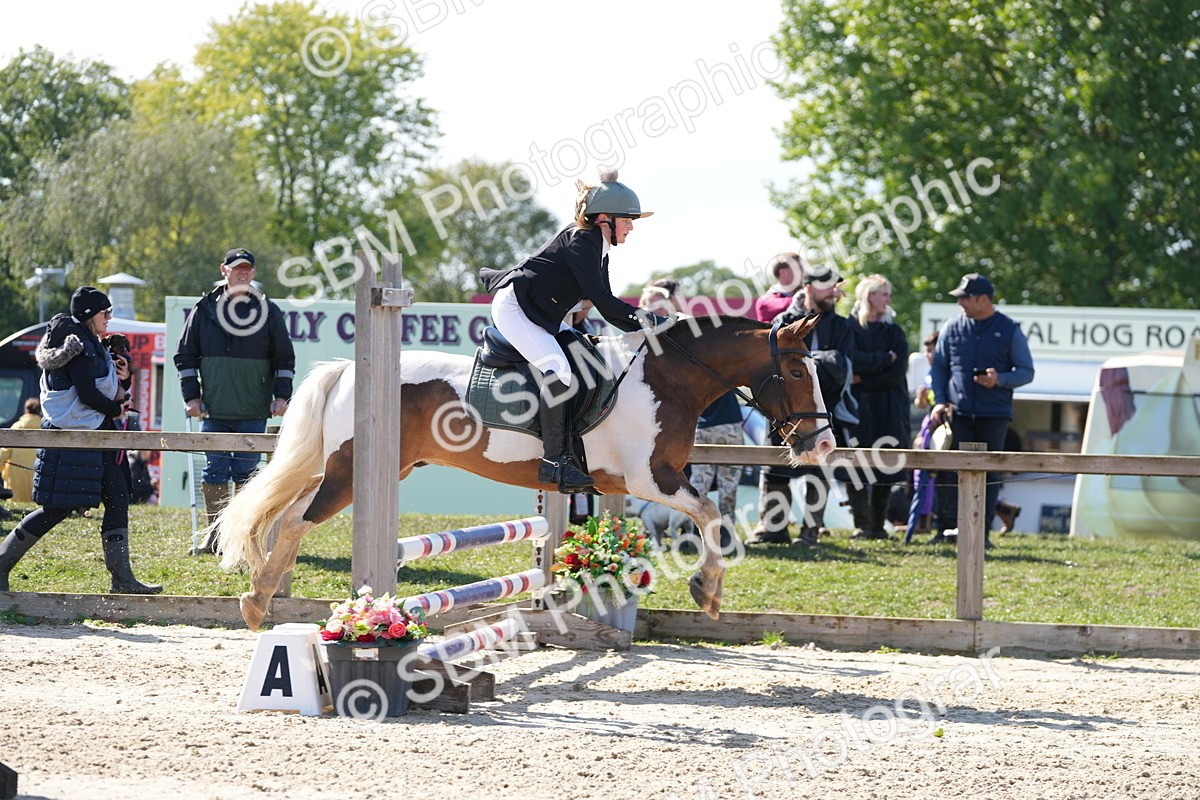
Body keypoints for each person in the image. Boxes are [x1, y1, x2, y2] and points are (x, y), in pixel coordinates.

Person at [479, 170, 662, 494]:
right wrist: (650, 322)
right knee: (559, 369)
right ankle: (555, 461)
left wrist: (645, 326)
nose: (632, 226)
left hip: (541, 312)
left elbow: (602, 301)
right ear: (604, 218)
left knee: (583, 356)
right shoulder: (583, 240)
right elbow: (607, 304)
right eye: (628, 219)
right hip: (516, 308)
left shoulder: (599, 245)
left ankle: (574, 450)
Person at [0, 287, 161, 594]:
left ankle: (122, 579)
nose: (110, 318)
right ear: (89, 314)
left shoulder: (90, 342)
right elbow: (87, 394)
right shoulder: (74, 345)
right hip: (73, 435)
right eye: (105, 313)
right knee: (57, 508)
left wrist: (123, 378)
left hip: (97, 434)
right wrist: (117, 408)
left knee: (118, 499)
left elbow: (101, 386)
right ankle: (1, 564)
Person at [175, 248, 295, 554]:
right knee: (214, 472)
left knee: (246, 475)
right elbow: (185, 356)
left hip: (253, 410)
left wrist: (282, 396)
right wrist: (192, 397)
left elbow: (284, 359)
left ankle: (241, 539)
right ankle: (214, 537)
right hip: (212, 409)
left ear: (253, 274)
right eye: (236, 268)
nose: (243, 272)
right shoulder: (203, 309)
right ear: (224, 270)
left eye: (248, 269)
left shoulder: (269, 311)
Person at [747, 265, 857, 546]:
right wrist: (818, 363)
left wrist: (805, 365)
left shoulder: (843, 326)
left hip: (822, 409)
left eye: (835, 286)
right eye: (827, 286)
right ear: (809, 287)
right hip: (782, 408)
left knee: (819, 469)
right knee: (775, 469)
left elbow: (844, 366)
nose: (833, 291)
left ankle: (811, 531)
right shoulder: (784, 320)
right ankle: (773, 528)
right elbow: (774, 365)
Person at [929, 273, 1035, 547]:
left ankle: (981, 534)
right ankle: (945, 530)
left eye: (965, 298)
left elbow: (1026, 371)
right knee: (950, 471)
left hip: (995, 415)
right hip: (958, 414)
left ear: (983, 299)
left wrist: (999, 379)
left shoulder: (1010, 329)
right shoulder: (952, 328)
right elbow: (939, 366)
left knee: (989, 474)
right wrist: (940, 400)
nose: (960, 303)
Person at [639, 280, 741, 552]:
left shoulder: (689, 329)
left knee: (722, 481)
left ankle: (721, 533)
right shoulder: (645, 335)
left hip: (721, 418)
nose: (655, 309)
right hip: (699, 421)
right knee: (699, 481)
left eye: (660, 304)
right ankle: (696, 532)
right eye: (650, 305)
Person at [846, 274, 910, 540]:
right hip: (856, 407)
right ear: (870, 295)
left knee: (886, 464)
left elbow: (897, 372)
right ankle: (862, 524)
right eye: (884, 293)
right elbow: (850, 362)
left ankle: (876, 526)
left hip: (889, 408)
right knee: (854, 463)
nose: (888, 299)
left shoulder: (894, 332)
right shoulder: (850, 328)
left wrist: (864, 376)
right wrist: (883, 358)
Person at [905, 332, 939, 543]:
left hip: (942, 431)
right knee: (921, 476)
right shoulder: (929, 374)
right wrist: (921, 399)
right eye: (926, 350)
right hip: (931, 428)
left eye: (932, 349)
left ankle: (925, 523)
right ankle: (920, 522)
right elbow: (922, 406)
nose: (929, 354)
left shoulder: (948, 372)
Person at [1, 397, 42, 503]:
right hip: (37, 475)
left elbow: (3, 454)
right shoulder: (44, 429)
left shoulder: (17, 427)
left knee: (17, 501)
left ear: (26, 410)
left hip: (16, 478)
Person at [752, 252, 803, 323]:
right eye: (799, 268)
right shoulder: (765, 301)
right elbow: (791, 304)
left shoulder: (800, 293)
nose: (803, 272)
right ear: (783, 272)